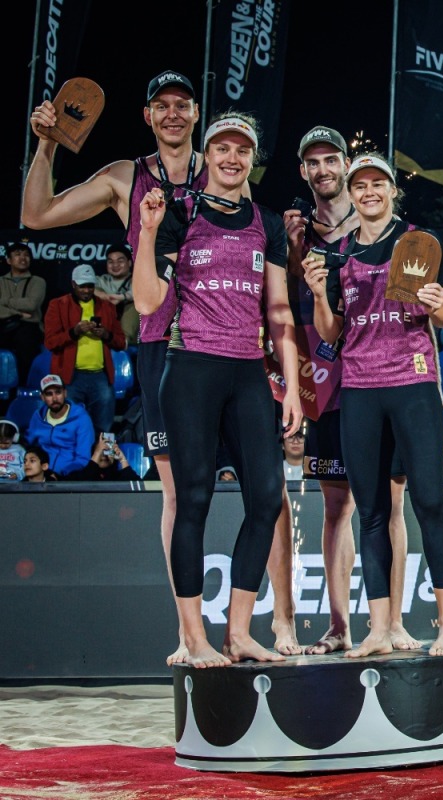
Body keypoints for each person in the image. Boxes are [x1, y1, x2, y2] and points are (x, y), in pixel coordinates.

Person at [24, 70, 220, 665]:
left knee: (265, 491)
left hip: (227, 344)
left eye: (182, 105)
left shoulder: (223, 170)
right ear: (147, 116)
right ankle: (190, 632)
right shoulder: (123, 177)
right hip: (163, 342)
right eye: (161, 106)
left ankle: (266, 625)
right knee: (175, 496)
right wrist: (48, 144)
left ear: (195, 114)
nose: (172, 115)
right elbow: (37, 217)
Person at [133, 113, 302, 668]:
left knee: (264, 497)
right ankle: (193, 637)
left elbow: (278, 309)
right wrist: (150, 231)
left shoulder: (266, 222)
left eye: (243, 150)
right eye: (223, 148)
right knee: (194, 500)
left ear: (252, 158)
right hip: (191, 369)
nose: (233, 158)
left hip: (248, 371)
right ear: (207, 155)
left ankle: (237, 633)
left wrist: (293, 386)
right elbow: (147, 302)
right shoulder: (179, 212)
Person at [305, 153, 443, 657]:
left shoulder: (417, 242)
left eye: (378, 184)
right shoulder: (340, 254)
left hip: (413, 386)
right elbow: (331, 333)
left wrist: (437, 303)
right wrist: (317, 295)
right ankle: (377, 629)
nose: (370, 192)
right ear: (351, 192)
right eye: (361, 185)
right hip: (361, 391)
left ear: (393, 190)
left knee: (429, 505)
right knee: (369, 513)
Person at [282, 125, 416, 655]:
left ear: (346, 168)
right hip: (326, 380)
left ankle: (395, 623)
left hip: (384, 377)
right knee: (336, 506)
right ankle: (341, 626)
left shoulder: (388, 229)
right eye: (312, 162)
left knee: (391, 503)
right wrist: (294, 250)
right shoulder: (297, 231)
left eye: (331, 160)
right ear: (304, 172)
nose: (323, 170)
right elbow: (298, 304)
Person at [43, 264, 127, 433]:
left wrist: (105, 334)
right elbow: (50, 342)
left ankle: (103, 458)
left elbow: (120, 342)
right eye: (82, 286)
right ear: (73, 284)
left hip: (100, 376)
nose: (87, 290)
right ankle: (72, 457)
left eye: (90, 286)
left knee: (104, 428)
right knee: (68, 426)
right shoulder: (58, 305)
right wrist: (74, 332)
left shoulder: (107, 307)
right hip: (70, 377)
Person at [26, 374, 94, 475]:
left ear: (65, 393)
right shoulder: (38, 416)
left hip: (69, 477)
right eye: (49, 394)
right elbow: (29, 446)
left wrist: (62, 474)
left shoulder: (81, 418)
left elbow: (83, 458)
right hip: (40, 475)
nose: (54, 398)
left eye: (58, 392)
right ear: (42, 397)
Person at [0, 242, 47, 385]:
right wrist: (18, 313)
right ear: (8, 260)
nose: (23, 258)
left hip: (29, 326)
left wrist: (4, 300)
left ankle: (25, 388)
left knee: (26, 346)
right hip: (4, 325)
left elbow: (31, 305)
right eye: (17, 255)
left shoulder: (38, 281)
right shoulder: (0, 281)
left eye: (26, 255)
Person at [95, 244, 139, 345]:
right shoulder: (102, 280)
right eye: (111, 261)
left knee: (135, 304)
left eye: (120, 261)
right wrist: (103, 296)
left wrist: (122, 297)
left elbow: (141, 293)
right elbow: (82, 287)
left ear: (129, 263)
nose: (115, 265)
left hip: (129, 327)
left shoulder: (137, 279)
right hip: (106, 323)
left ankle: (124, 340)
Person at [64, 436, 140, 481]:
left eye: (107, 451)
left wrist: (122, 459)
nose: (104, 455)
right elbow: (83, 483)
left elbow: (138, 488)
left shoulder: (120, 478)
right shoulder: (78, 475)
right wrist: (97, 454)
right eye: (101, 451)